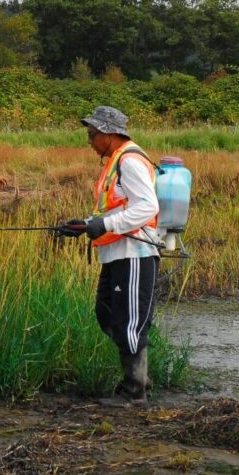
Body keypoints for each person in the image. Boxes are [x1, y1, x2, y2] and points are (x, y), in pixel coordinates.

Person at [64, 105, 160, 407]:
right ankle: (138, 378)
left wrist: (105, 224)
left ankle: (134, 391)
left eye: (92, 135)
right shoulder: (115, 160)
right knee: (107, 313)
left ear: (108, 133)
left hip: (134, 253)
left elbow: (147, 207)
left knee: (128, 321)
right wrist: (86, 224)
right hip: (115, 253)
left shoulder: (129, 161)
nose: (89, 140)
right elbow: (116, 207)